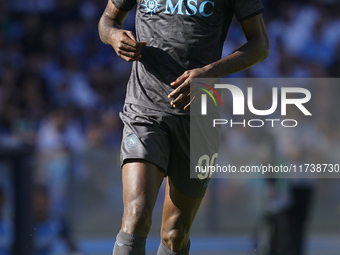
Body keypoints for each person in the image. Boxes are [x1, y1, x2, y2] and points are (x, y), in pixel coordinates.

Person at [98, 0, 269, 254]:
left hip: (200, 117)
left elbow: (260, 44)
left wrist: (210, 71)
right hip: (145, 109)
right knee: (136, 215)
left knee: (174, 234)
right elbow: (107, 21)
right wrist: (113, 36)